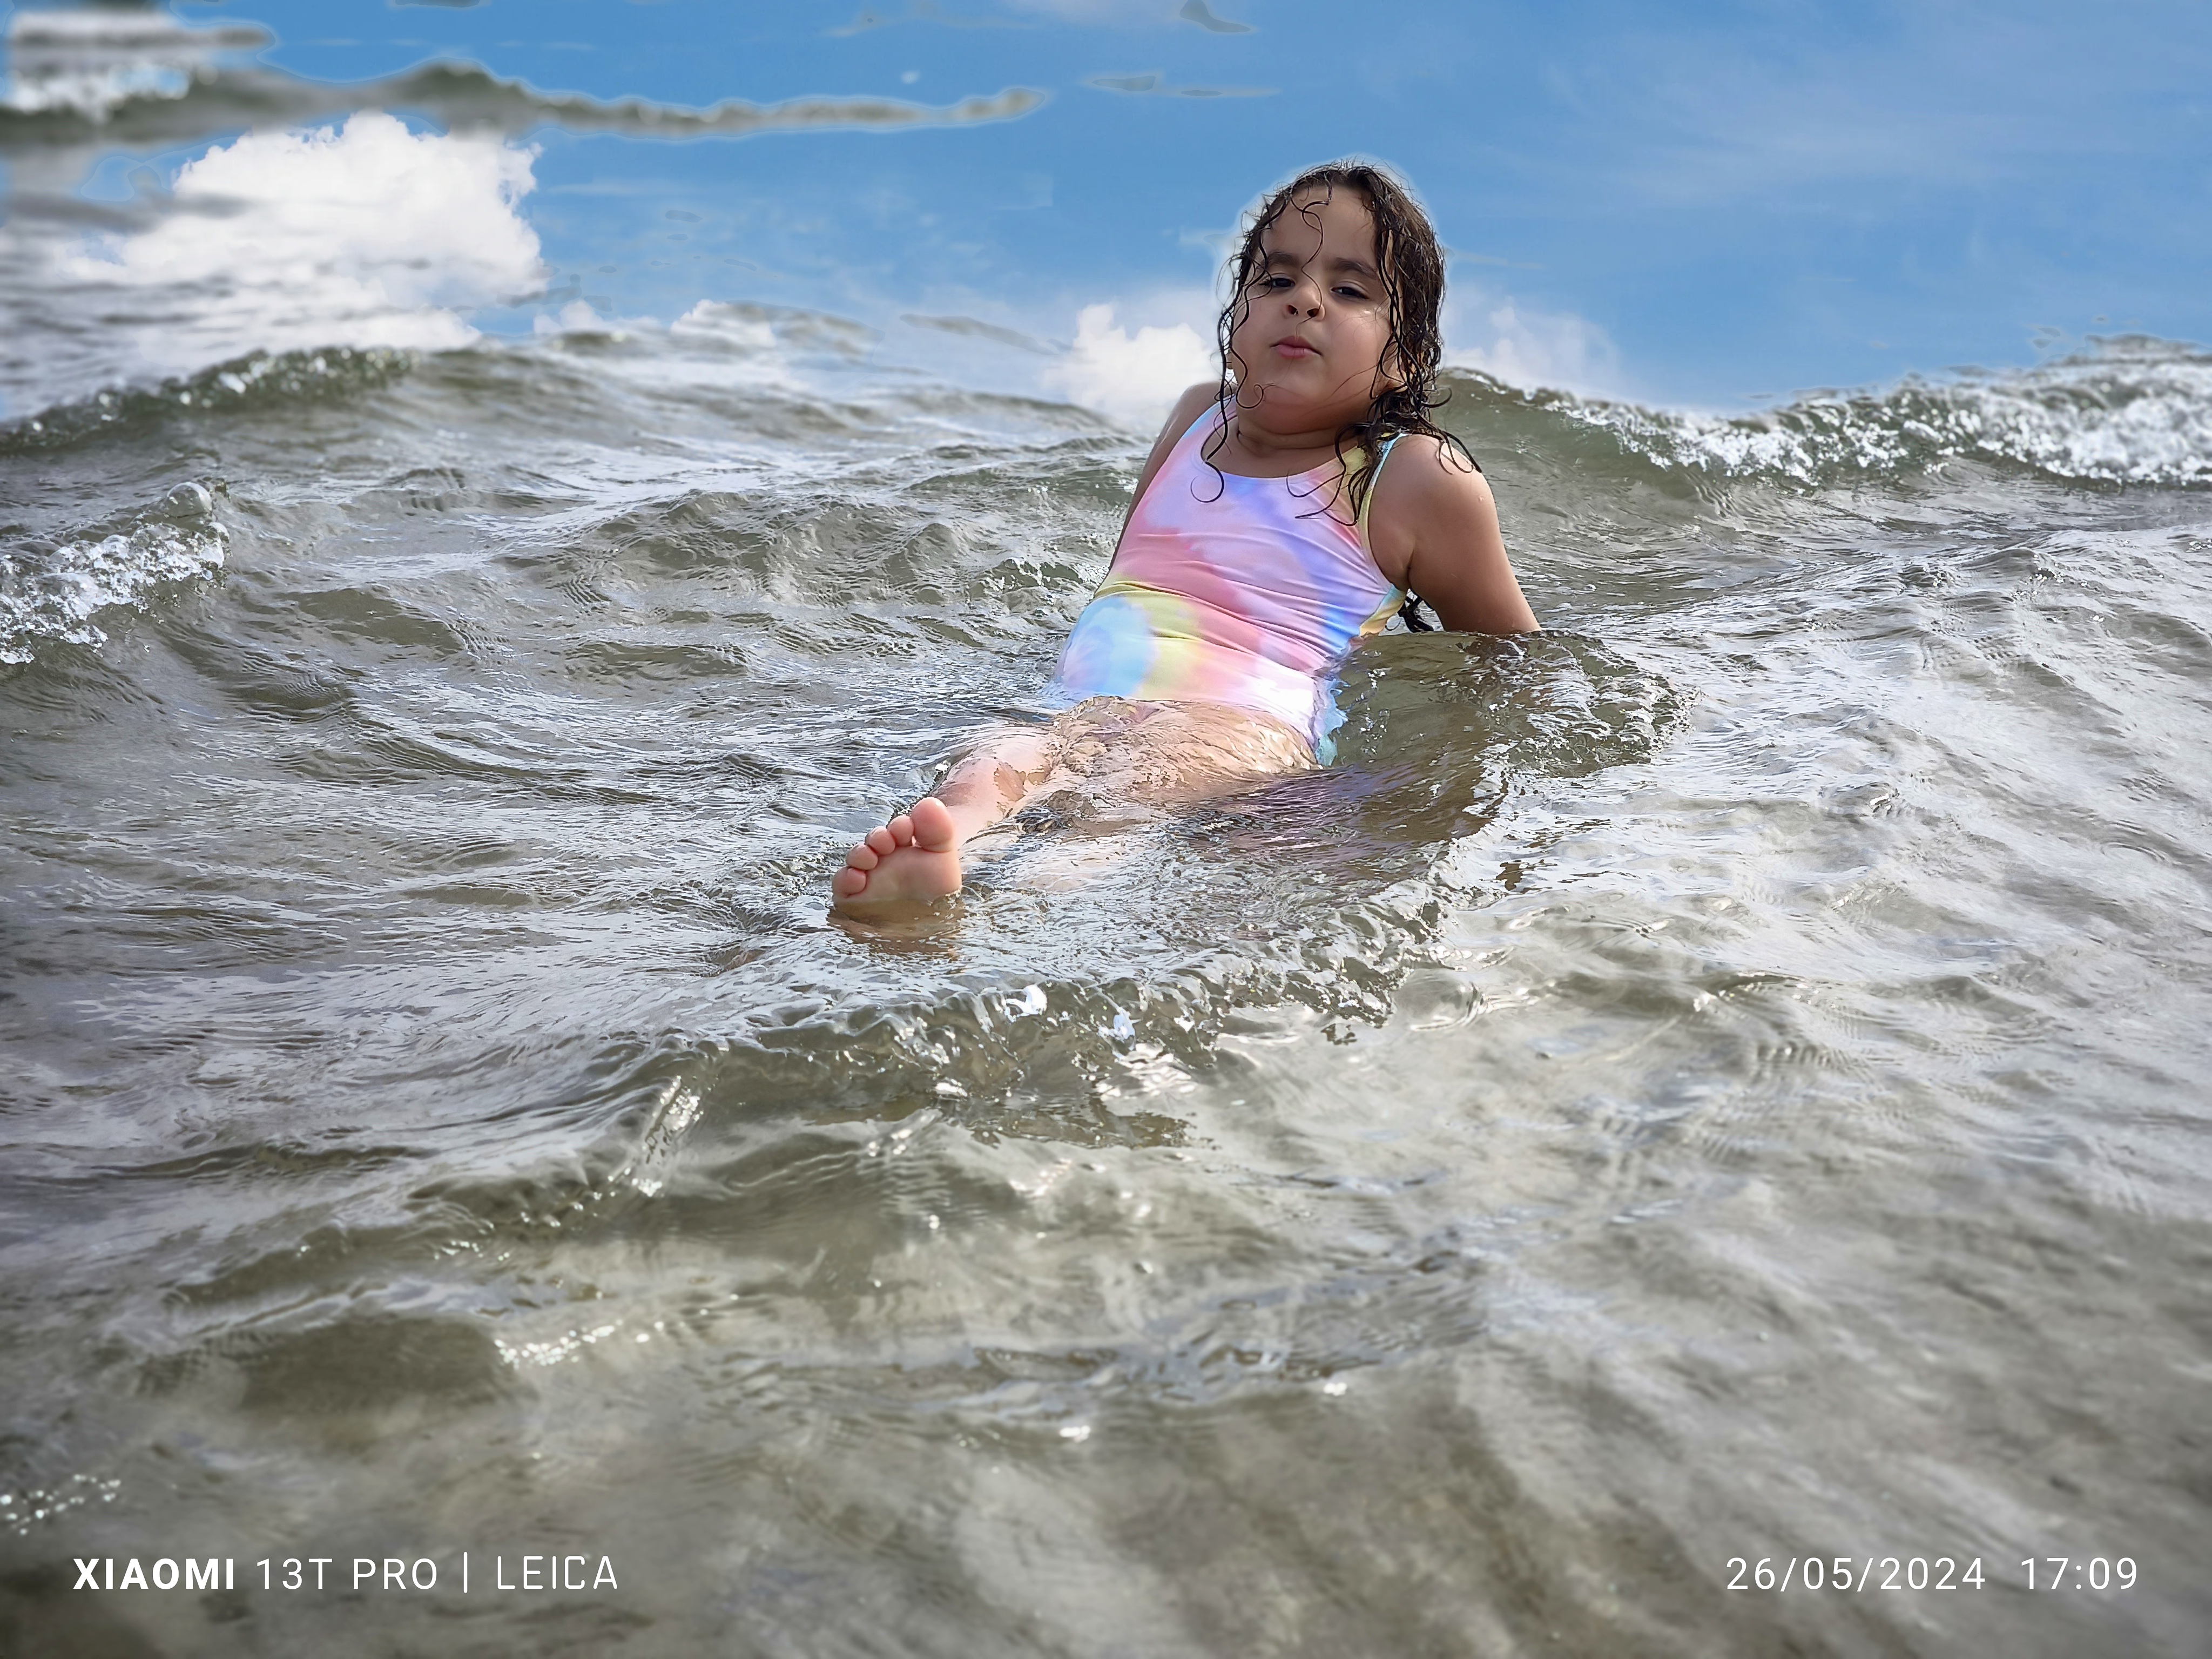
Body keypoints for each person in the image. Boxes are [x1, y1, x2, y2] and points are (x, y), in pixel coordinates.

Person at [831, 160, 1538, 914]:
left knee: (1130, 801)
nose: (1304, 300)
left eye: (1350, 291)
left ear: (1403, 359)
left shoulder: (1415, 477)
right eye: (1277, 280)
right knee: (995, 760)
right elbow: (1124, 584)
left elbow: (1517, 653)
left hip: (1242, 727)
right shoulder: (1197, 418)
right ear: (1235, 321)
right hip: (1087, 702)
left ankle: (1018, 903)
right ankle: (949, 848)